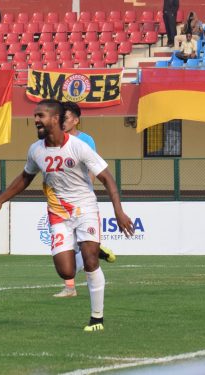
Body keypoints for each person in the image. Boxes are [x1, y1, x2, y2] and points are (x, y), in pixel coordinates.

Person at [0, 99, 134, 332]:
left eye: (40, 116)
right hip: (57, 214)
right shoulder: (36, 150)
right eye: (35, 116)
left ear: (55, 119)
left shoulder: (78, 146)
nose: (36, 120)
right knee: (65, 271)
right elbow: (25, 177)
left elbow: (107, 178)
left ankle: (97, 318)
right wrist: (0, 200)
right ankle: (89, 251)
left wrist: (118, 211)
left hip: (85, 209)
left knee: (91, 262)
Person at [52, 101, 117, 298]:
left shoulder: (86, 141)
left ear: (76, 120)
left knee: (83, 247)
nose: (62, 120)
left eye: (66, 117)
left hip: (81, 200)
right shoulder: (53, 139)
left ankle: (84, 292)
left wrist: (83, 189)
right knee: (64, 249)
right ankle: (70, 287)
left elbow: (93, 168)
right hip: (58, 200)